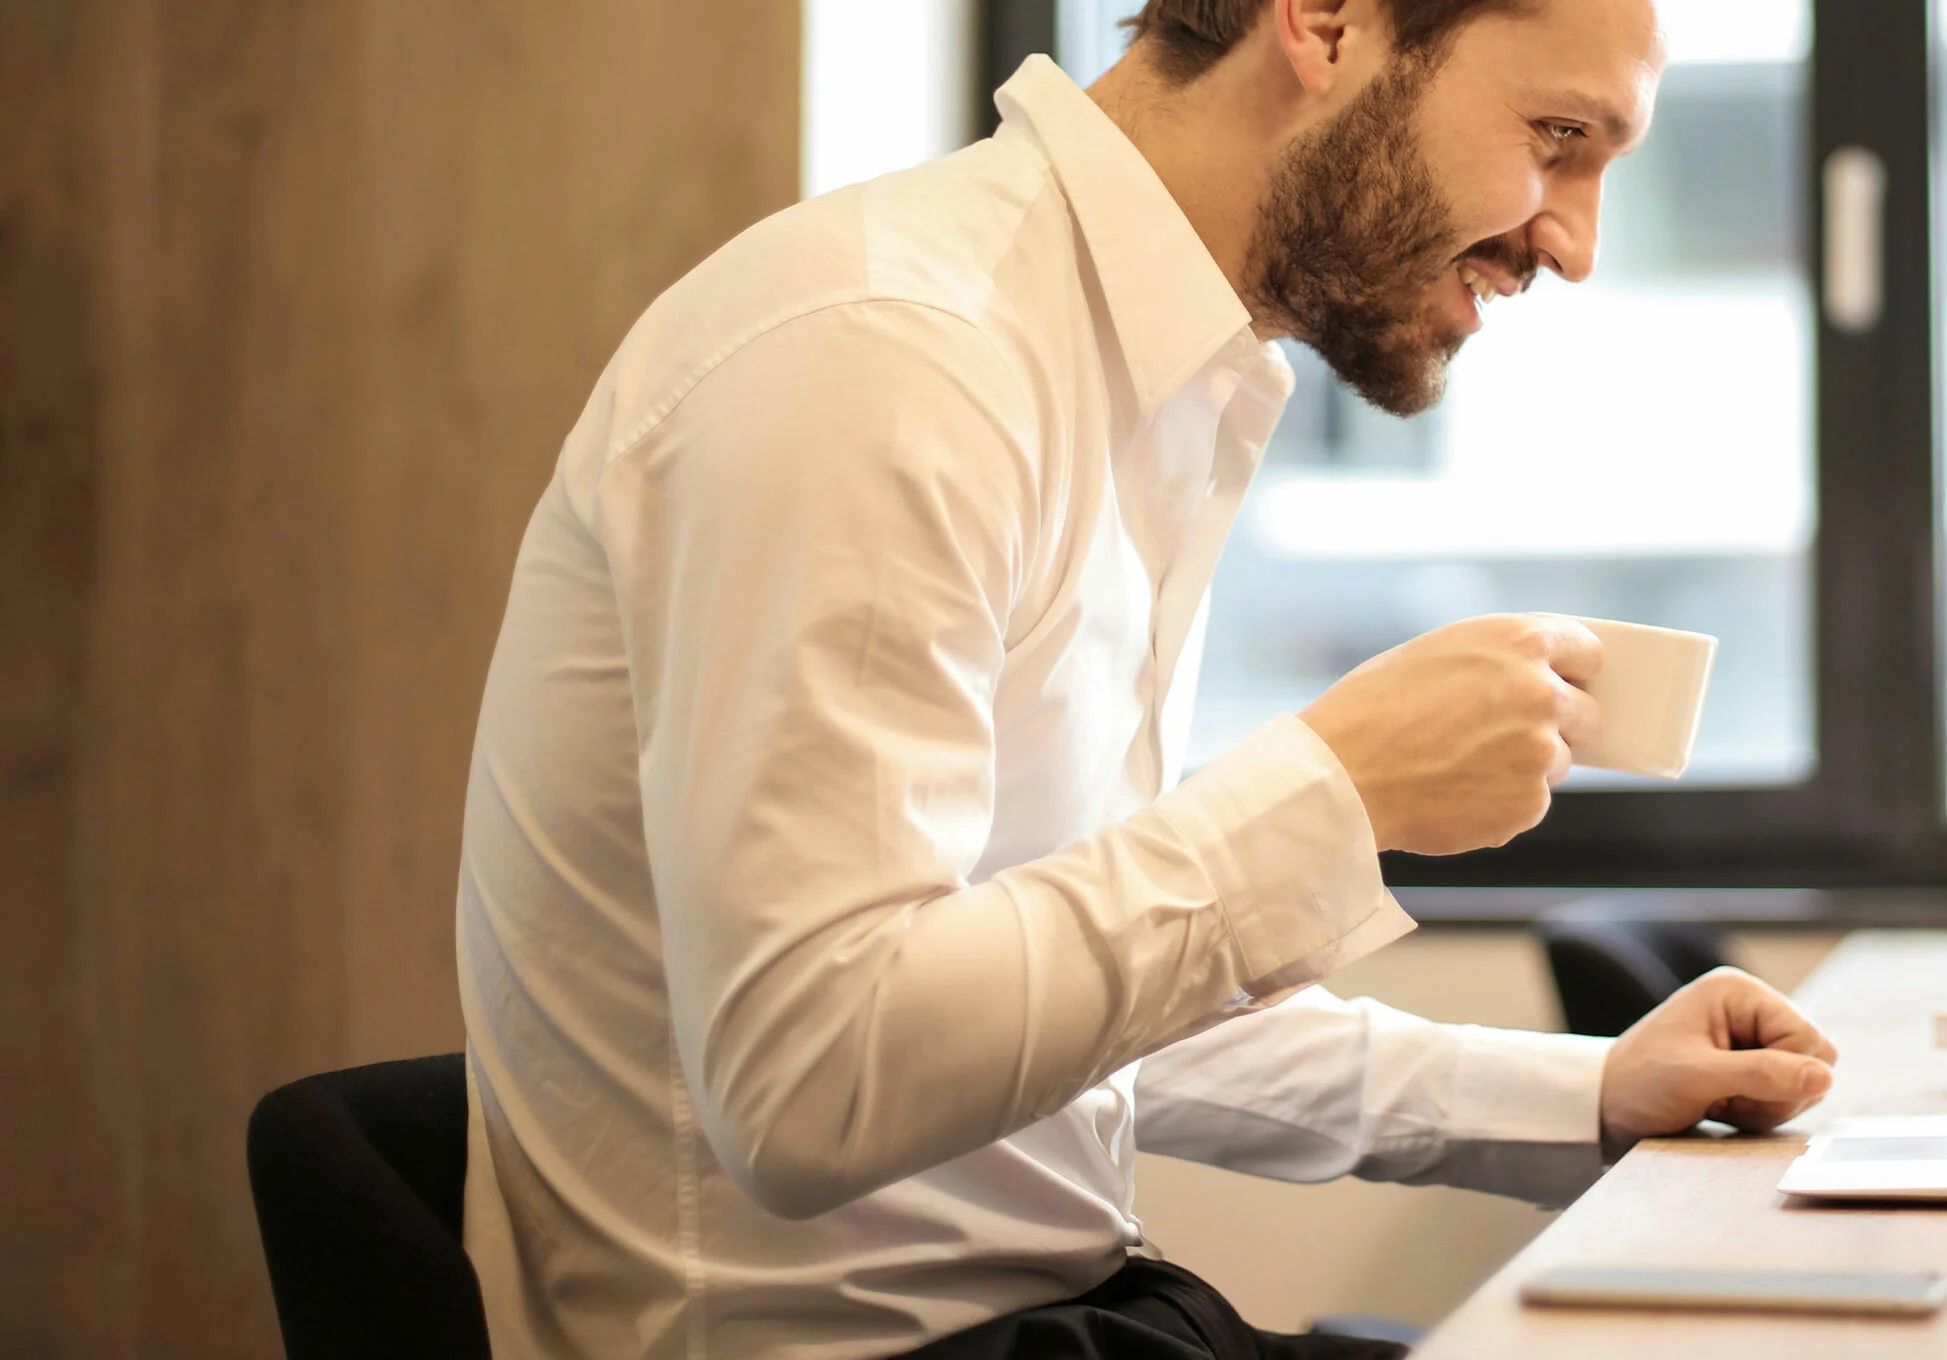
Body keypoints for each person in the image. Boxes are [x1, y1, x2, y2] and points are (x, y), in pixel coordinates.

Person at [453, 1, 1838, 1356]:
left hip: (1069, 1316)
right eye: (1556, 135)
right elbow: (815, 1082)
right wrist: (1332, 791)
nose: (1577, 242)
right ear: (1327, 24)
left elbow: (1064, 1018)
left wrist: (1590, 1092)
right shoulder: (888, 355)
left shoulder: (1158, 375)